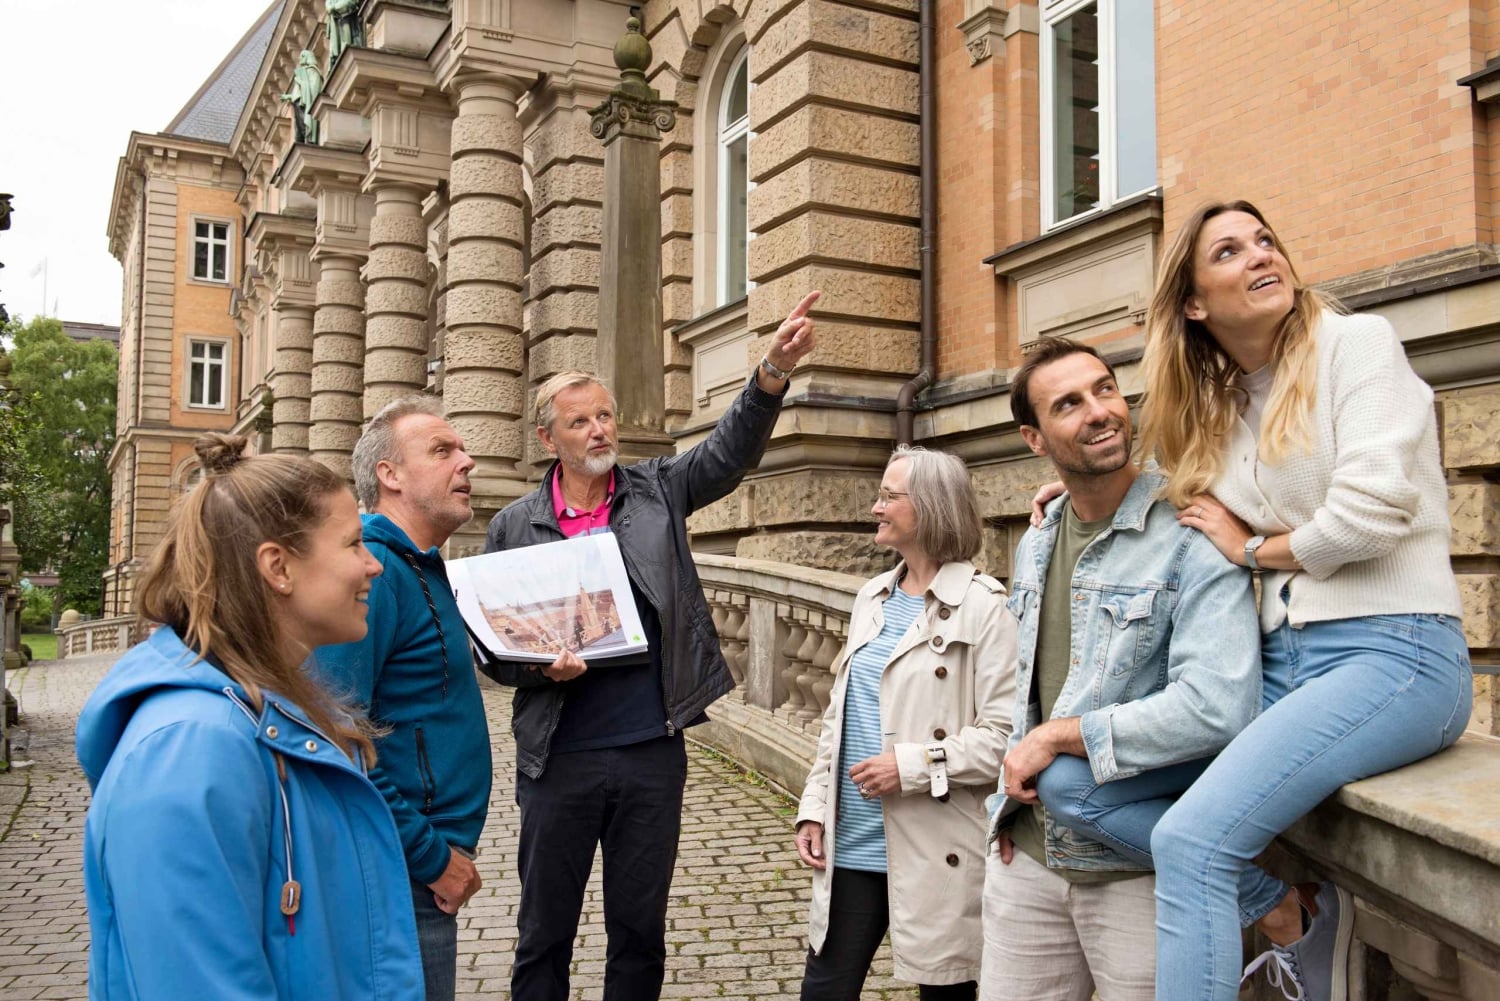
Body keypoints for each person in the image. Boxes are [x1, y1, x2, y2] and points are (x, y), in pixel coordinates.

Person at [1131, 200, 1473, 1001]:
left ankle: (1299, 930)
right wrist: (1076, 492)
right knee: (1087, 789)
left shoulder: (1357, 346)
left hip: (1395, 651)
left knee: (1191, 840)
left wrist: (1254, 549)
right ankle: (1307, 922)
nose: (1261, 255)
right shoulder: (1229, 405)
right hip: (1285, 661)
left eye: (1265, 239)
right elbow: (1175, 493)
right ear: (1193, 301)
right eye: (1230, 250)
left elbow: (1373, 511)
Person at [484, 291, 820, 1001]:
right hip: (558, 757)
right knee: (544, 929)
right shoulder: (515, 525)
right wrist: (542, 667)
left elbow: (727, 454)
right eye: (581, 421)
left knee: (639, 931)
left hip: (649, 750)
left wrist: (769, 375)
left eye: (604, 415)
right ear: (550, 439)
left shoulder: (658, 490)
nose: (600, 429)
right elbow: (492, 651)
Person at [76, 434, 421, 999]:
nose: (371, 566)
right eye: (354, 543)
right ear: (278, 566)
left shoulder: (276, 706)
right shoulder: (189, 749)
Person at [983, 337, 1261, 1001]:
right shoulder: (1038, 537)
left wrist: (1057, 737)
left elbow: (1217, 706)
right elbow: (1028, 687)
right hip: (1025, 856)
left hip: (1135, 872)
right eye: (1069, 404)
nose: (1099, 411)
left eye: (1105, 389)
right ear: (1035, 437)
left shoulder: (1192, 531)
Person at [793, 446, 1015, 1000]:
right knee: (824, 992)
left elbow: (1006, 738)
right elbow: (837, 719)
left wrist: (912, 766)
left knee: (947, 993)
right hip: (853, 843)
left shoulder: (986, 607)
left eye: (889, 496)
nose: (875, 507)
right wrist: (816, 807)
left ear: (933, 507)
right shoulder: (873, 595)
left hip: (940, 843)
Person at [316, 396, 489, 1001]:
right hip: (399, 868)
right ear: (388, 476)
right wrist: (431, 855)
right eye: (442, 451)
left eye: (462, 448)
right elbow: (333, 732)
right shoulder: (376, 572)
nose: (467, 461)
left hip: (417, 868)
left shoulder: (424, 566)